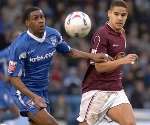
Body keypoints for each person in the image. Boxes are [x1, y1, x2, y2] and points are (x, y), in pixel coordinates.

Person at [6, 7, 109, 125]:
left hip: (42, 91)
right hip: (25, 93)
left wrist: (92, 56)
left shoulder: (52, 35)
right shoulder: (20, 45)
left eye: (42, 17)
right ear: (27, 23)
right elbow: (13, 78)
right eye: (36, 18)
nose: (41, 20)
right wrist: (33, 96)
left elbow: (69, 52)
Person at [77, 1, 138, 125]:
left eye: (123, 15)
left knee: (130, 123)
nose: (120, 18)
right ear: (109, 14)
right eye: (116, 14)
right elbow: (99, 67)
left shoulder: (122, 33)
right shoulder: (101, 34)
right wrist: (122, 60)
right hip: (97, 90)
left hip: (116, 89)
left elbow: (114, 59)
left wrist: (118, 59)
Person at [0, 48, 19, 123]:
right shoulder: (4, 53)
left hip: (8, 87)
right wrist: (4, 77)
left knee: (2, 110)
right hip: (2, 87)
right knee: (16, 113)